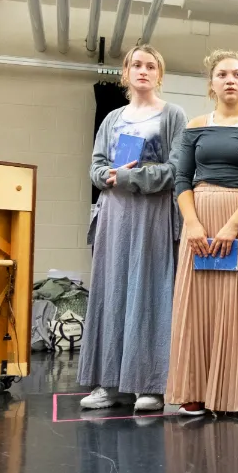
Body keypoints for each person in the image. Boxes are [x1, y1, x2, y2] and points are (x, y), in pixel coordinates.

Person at [166, 50, 238, 419]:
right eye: (222, 74)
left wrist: (231, 227)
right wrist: (193, 224)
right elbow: (181, 178)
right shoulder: (196, 125)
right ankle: (194, 391)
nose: (230, 80)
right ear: (211, 84)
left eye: (237, 74)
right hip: (198, 220)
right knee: (198, 306)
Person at [80, 46, 186, 413]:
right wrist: (106, 176)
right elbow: (95, 165)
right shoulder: (112, 118)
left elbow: (177, 168)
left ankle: (150, 384)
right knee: (112, 292)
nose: (143, 70)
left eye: (151, 65)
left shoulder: (173, 115)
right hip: (114, 213)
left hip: (153, 212)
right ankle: (107, 383)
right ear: (125, 72)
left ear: (160, 74)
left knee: (150, 293)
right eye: (137, 65)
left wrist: (131, 176)